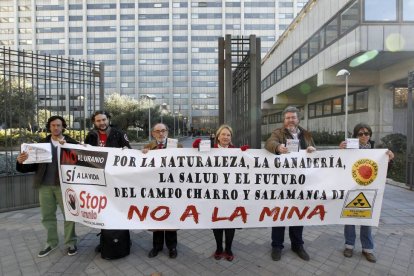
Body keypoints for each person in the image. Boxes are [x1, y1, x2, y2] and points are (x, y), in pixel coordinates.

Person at [16, 116, 78, 257]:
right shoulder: (41, 144)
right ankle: (51, 243)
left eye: (59, 125)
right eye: (53, 125)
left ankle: (71, 243)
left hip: (65, 186)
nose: (56, 128)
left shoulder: (71, 143)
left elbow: (81, 162)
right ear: (49, 127)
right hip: (44, 186)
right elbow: (29, 167)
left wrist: (67, 148)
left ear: (63, 127)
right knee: (47, 216)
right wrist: (21, 162)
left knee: (69, 215)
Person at [264, 106, 316, 262]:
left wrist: (312, 149)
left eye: (293, 117)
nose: (290, 120)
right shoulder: (278, 133)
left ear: (298, 119)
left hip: (300, 182)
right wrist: (278, 147)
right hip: (282, 183)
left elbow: (314, 150)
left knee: (298, 214)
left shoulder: (306, 134)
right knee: (280, 214)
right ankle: (277, 246)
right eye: (287, 118)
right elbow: (269, 143)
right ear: (284, 120)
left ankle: (297, 245)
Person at [339, 123, 394, 263]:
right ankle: (349, 246)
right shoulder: (349, 148)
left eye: (367, 133)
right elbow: (339, 164)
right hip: (351, 188)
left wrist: (390, 159)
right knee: (349, 218)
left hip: (369, 188)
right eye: (360, 134)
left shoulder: (377, 150)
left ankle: (367, 249)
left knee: (367, 218)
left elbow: (385, 169)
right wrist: (340, 151)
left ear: (370, 135)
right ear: (355, 135)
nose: (364, 136)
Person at [193, 124, 249, 262]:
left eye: (228, 135)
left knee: (230, 222)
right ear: (217, 136)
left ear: (231, 138)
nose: (225, 137)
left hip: (231, 194)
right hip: (213, 193)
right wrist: (201, 142)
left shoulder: (235, 150)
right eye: (223, 134)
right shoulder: (210, 149)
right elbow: (194, 146)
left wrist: (245, 154)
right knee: (216, 222)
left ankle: (228, 249)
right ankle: (219, 248)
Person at [84, 110, 131, 254]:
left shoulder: (118, 133)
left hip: (116, 179)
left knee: (118, 209)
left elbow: (129, 151)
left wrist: (126, 150)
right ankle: (105, 240)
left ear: (108, 119)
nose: (101, 123)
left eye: (104, 120)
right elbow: (85, 154)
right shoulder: (91, 135)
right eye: (98, 121)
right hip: (99, 179)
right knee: (103, 210)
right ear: (94, 122)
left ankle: (123, 239)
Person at [142, 123, 182, 259]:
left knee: (171, 218)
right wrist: (143, 155)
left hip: (171, 188)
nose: (161, 134)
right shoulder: (148, 147)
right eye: (158, 131)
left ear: (167, 132)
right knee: (156, 217)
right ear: (153, 134)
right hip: (155, 189)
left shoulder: (177, 146)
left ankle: (172, 247)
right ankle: (157, 246)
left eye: (163, 131)